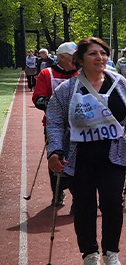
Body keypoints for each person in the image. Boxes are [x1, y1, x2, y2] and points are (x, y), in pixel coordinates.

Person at [45, 37, 126, 265]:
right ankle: (90, 254)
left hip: (114, 155)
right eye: (93, 54)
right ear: (79, 60)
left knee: (112, 204)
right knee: (84, 206)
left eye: (103, 53)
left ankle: (111, 253)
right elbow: (55, 122)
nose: (99, 58)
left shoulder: (121, 84)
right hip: (80, 157)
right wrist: (55, 150)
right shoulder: (66, 89)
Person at [33, 41, 79, 206]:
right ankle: (58, 192)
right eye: (73, 57)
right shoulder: (47, 74)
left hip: (79, 126)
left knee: (78, 161)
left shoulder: (82, 75)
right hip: (55, 125)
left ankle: (78, 196)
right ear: (62, 58)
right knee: (56, 157)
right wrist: (56, 106)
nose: (76, 61)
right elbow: (38, 99)